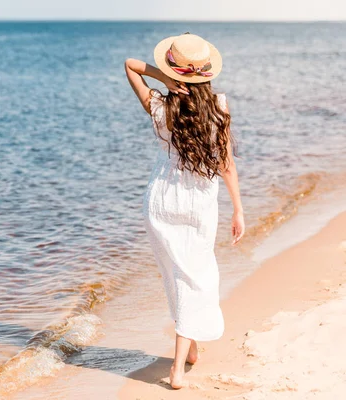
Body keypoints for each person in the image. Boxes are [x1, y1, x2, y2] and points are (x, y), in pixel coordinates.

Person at [124, 33, 245, 389]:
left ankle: (190, 349)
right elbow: (226, 166)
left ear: (176, 71)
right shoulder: (219, 107)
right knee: (196, 278)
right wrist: (239, 210)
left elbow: (130, 66)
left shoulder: (161, 107)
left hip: (160, 201)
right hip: (197, 204)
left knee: (177, 276)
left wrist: (167, 82)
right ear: (206, 73)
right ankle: (177, 369)